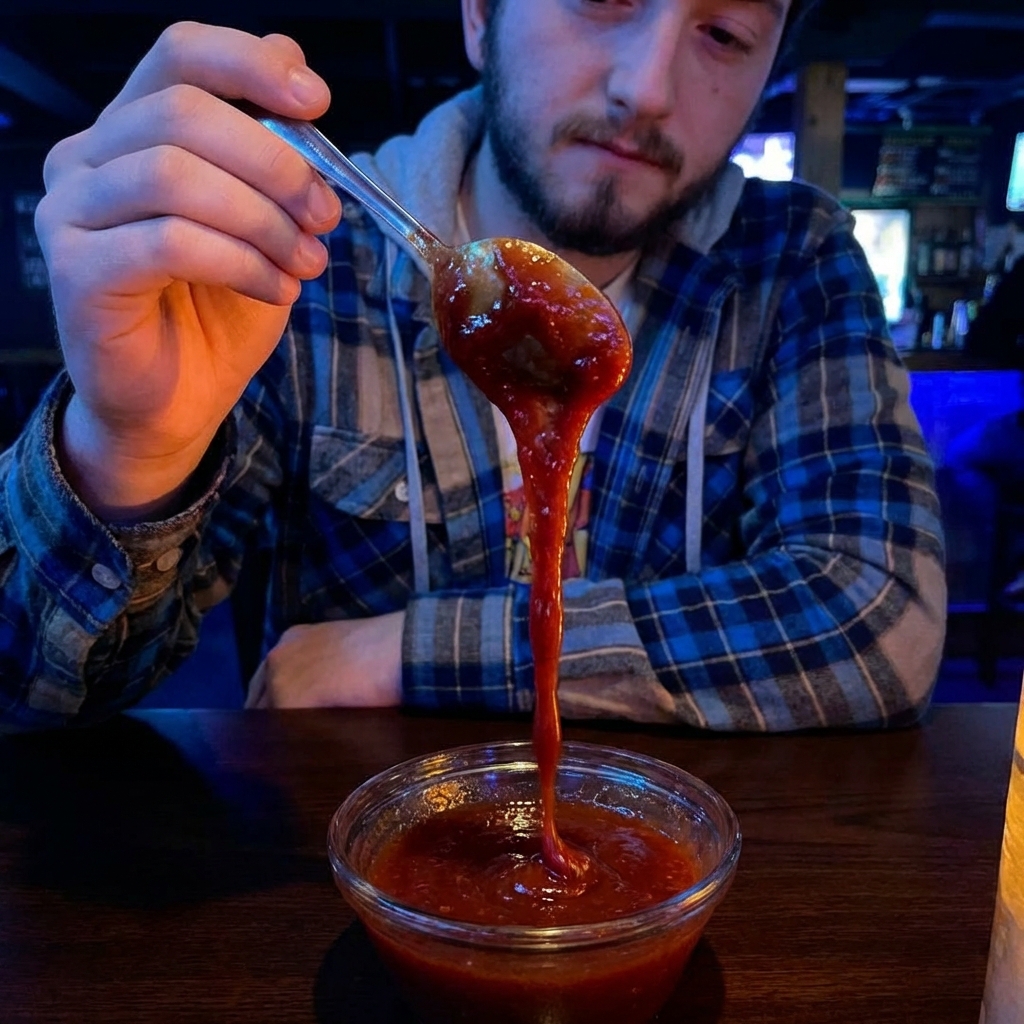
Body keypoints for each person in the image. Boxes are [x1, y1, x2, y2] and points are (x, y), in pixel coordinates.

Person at [0, 0, 945, 732]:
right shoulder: (298, 259)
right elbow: (51, 694)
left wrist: (409, 651)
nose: (649, 88)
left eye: (726, 33)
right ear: (481, 13)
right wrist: (127, 450)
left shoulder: (792, 265)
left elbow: (877, 618)